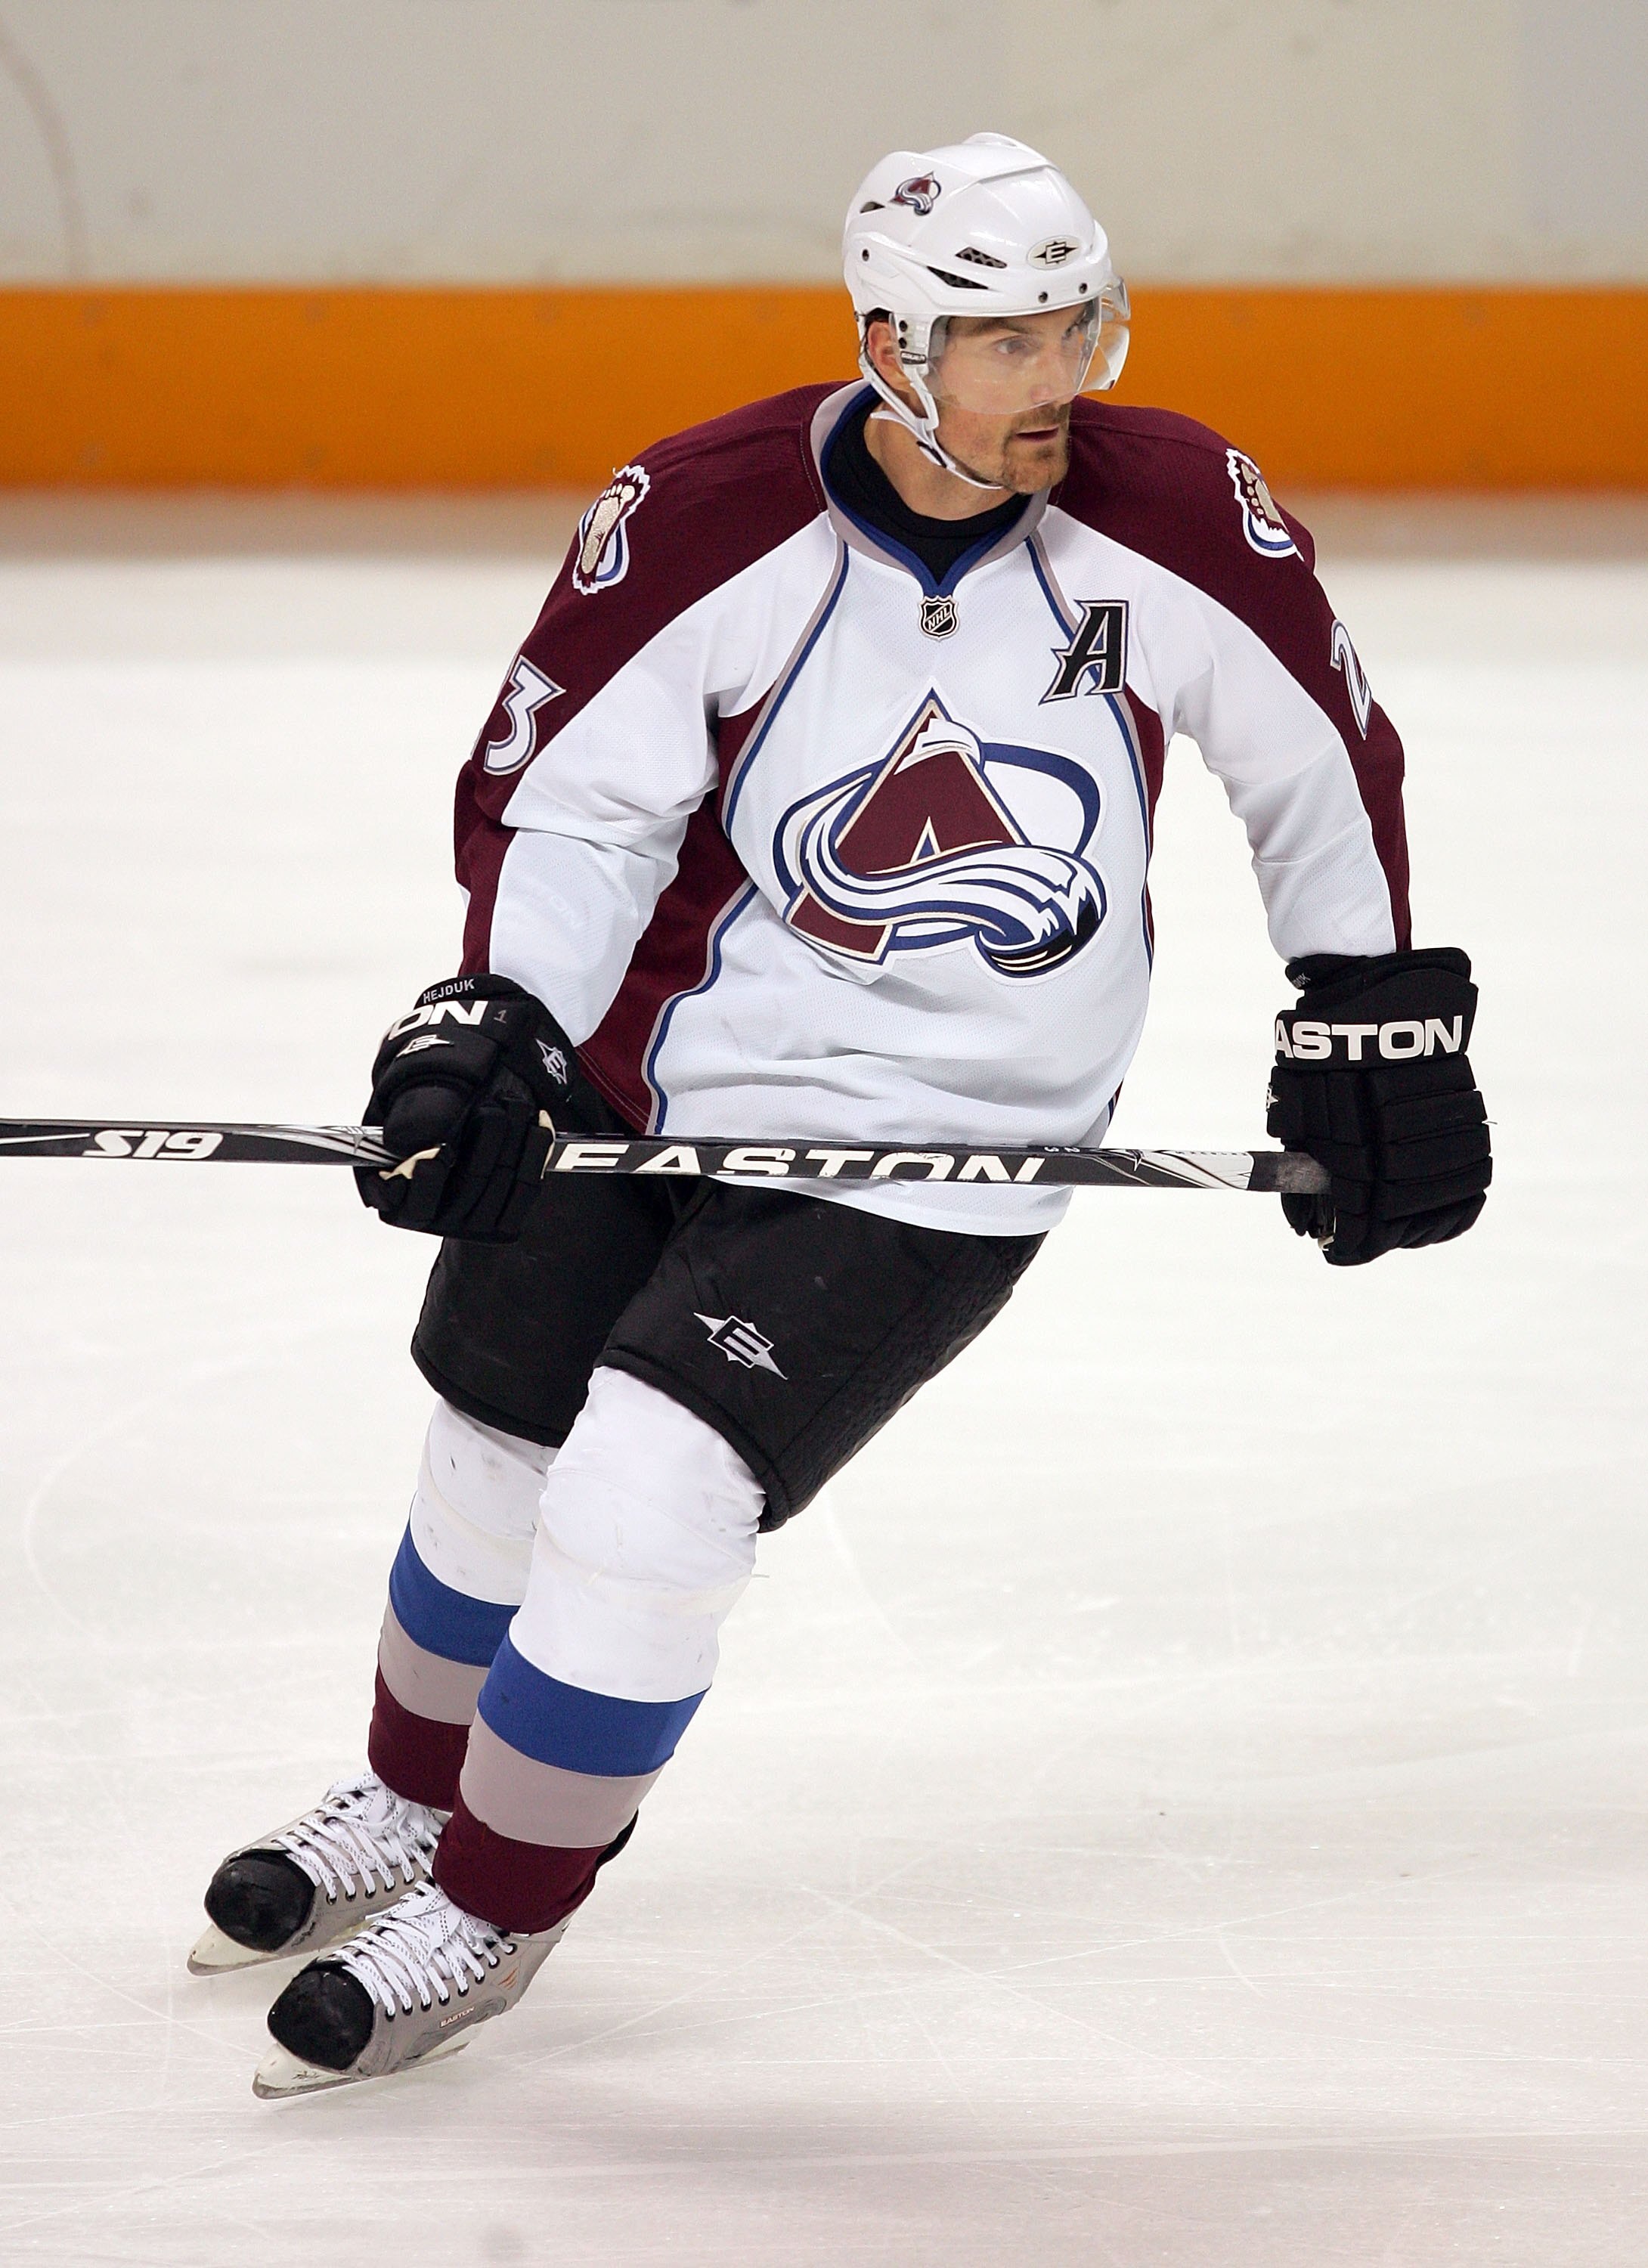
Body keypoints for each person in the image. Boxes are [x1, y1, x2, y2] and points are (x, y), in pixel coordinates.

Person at [189, 134, 1491, 2098]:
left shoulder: (1166, 513)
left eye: (1076, 327)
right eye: (1006, 341)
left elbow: (1319, 751)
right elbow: (576, 804)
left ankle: (496, 1898)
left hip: (949, 1128)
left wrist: (1372, 1010)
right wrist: (503, 1017)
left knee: (648, 1490)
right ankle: (406, 1796)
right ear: (892, 347)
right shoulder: (708, 513)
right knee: (492, 1442)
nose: (1057, 378)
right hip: (651, 1081)